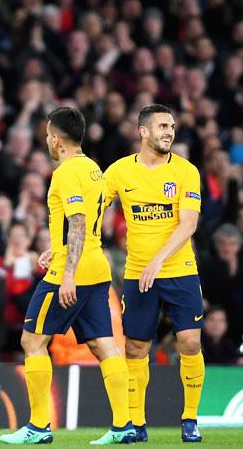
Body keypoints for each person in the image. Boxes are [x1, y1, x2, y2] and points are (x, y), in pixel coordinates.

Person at [0, 108, 134, 445]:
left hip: (70, 274)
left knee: (32, 341)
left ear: (56, 138)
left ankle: (38, 427)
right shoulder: (93, 170)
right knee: (103, 344)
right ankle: (124, 426)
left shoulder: (65, 173)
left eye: (47, 135)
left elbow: (75, 223)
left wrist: (67, 272)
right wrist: (58, 250)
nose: (46, 141)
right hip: (96, 266)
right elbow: (86, 226)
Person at [104, 104, 205, 443]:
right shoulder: (118, 172)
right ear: (143, 132)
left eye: (172, 127)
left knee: (190, 340)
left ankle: (190, 419)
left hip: (178, 270)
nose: (169, 132)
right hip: (137, 275)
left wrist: (158, 260)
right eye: (162, 126)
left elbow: (188, 223)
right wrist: (63, 245)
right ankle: (137, 423)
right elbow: (91, 210)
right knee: (135, 347)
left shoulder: (186, 171)